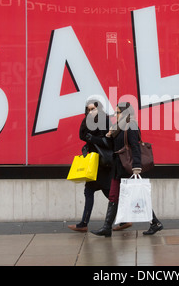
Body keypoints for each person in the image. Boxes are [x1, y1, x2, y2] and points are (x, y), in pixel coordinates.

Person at [91, 102, 163, 237]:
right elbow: (115, 146)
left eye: (117, 113)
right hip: (118, 167)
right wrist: (109, 136)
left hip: (127, 168)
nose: (115, 115)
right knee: (115, 196)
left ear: (125, 113)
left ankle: (155, 223)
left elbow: (135, 147)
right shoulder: (119, 127)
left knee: (133, 196)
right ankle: (107, 227)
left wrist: (137, 166)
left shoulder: (131, 126)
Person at [67, 100, 113, 232]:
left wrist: (92, 138)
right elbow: (82, 135)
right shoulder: (88, 121)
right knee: (106, 192)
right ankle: (125, 219)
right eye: (88, 109)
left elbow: (108, 142)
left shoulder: (104, 120)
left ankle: (83, 224)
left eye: (93, 109)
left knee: (98, 192)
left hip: (103, 163)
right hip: (94, 163)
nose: (90, 111)